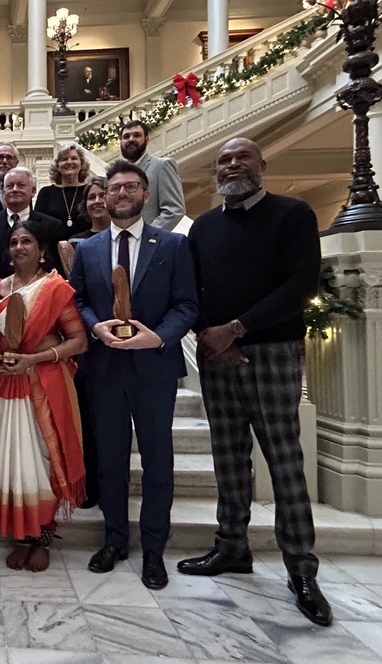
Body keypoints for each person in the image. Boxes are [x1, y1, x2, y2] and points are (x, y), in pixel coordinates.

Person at [180, 137, 332, 627]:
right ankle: (231, 547)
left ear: (262, 166)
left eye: (242, 157)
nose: (232, 164)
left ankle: (301, 569)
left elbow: (301, 286)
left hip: (272, 352)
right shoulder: (203, 227)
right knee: (228, 458)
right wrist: (211, 335)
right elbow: (192, 288)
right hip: (217, 357)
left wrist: (238, 329)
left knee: (284, 461)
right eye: (224, 159)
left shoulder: (293, 215)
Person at [68, 160, 198, 590]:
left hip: (154, 369)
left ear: (146, 195)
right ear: (103, 198)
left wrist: (158, 337)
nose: (121, 193)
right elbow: (79, 301)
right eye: (114, 188)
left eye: (131, 187)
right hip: (105, 369)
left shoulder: (173, 245)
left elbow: (187, 305)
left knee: (158, 460)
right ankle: (116, 539)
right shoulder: (86, 250)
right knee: (110, 461)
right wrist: (93, 326)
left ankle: (155, 549)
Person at [0, 218, 88, 572]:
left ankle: (43, 535)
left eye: (27, 241)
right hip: (8, 384)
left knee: (43, 459)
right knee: (13, 460)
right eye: (13, 242)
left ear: (42, 251)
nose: (19, 247)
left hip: (46, 384)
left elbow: (78, 341)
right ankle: (22, 535)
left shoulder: (55, 288)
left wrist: (34, 359)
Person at [68, 178, 111, 509]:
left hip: (129, 342)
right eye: (91, 197)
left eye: (102, 194)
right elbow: (74, 297)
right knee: (87, 421)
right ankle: (89, 485)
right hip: (88, 343)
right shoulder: (75, 245)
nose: (97, 201)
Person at [0, 167, 63, 279]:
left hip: (40, 291)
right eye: (9, 186)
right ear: (3, 191)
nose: (15, 189)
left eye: (21, 185)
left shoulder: (52, 226)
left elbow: (56, 268)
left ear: (33, 191)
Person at [118, 121, 185, 230]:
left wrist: (147, 236)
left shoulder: (162, 165)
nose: (131, 139)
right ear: (121, 142)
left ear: (147, 140)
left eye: (137, 135)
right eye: (126, 136)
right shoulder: (118, 173)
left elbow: (174, 210)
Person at [34, 144, 91, 243]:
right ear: (57, 166)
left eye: (74, 158)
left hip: (86, 247)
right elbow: (38, 226)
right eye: (64, 159)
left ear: (81, 164)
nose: (69, 162)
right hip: (53, 250)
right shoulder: (46, 193)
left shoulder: (90, 190)